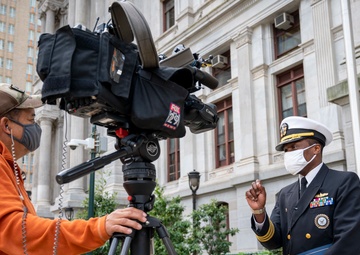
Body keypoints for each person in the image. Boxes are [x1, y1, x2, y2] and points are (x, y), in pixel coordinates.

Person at [0, 83, 147, 254]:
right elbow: (19, 234)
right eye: (31, 120)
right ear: (6, 126)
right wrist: (97, 229)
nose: (36, 128)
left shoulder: (8, 166)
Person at [245, 116, 360, 254]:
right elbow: (273, 242)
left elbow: (348, 241)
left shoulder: (344, 182)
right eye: (286, 150)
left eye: (294, 147)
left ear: (316, 148)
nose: (288, 154)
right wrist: (259, 212)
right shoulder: (284, 194)